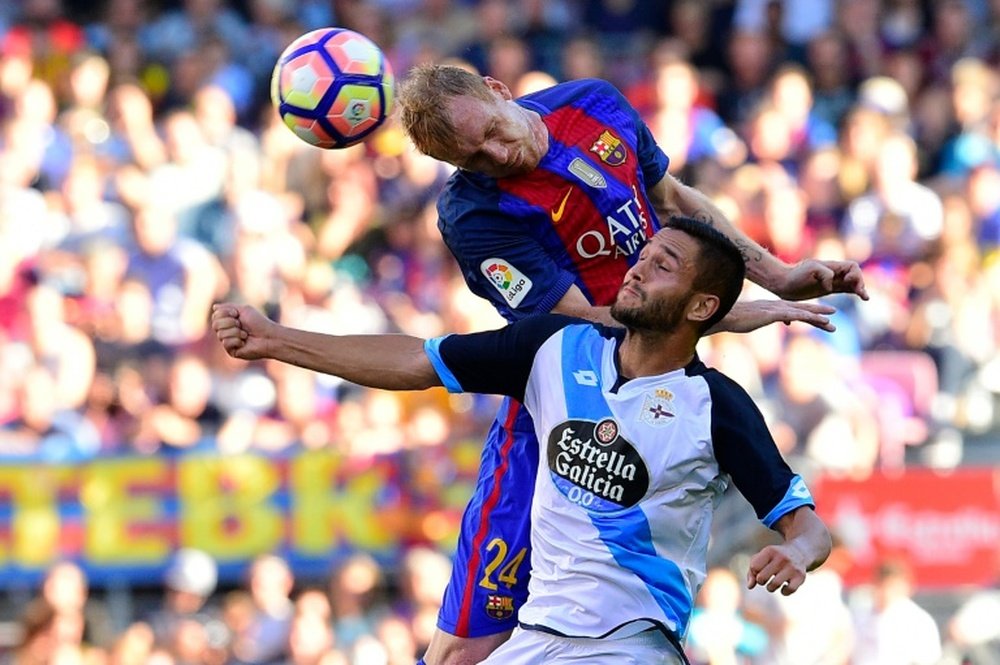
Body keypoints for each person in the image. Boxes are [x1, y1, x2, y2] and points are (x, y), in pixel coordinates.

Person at [392, 64, 865, 665]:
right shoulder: (473, 216)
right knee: (466, 647)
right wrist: (735, 313)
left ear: (497, 89)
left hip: (653, 391)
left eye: (491, 131)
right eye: (475, 157)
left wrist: (776, 274)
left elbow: (673, 202)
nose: (497, 154)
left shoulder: (595, 105)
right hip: (556, 406)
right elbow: (582, 321)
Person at [212, 218, 832, 665]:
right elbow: (417, 361)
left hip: (631, 643)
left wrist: (797, 553)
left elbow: (809, 527)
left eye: (663, 265)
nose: (639, 266)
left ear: (703, 306)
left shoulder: (717, 405)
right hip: (533, 637)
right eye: (643, 255)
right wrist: (277, 341)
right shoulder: (553, 347)